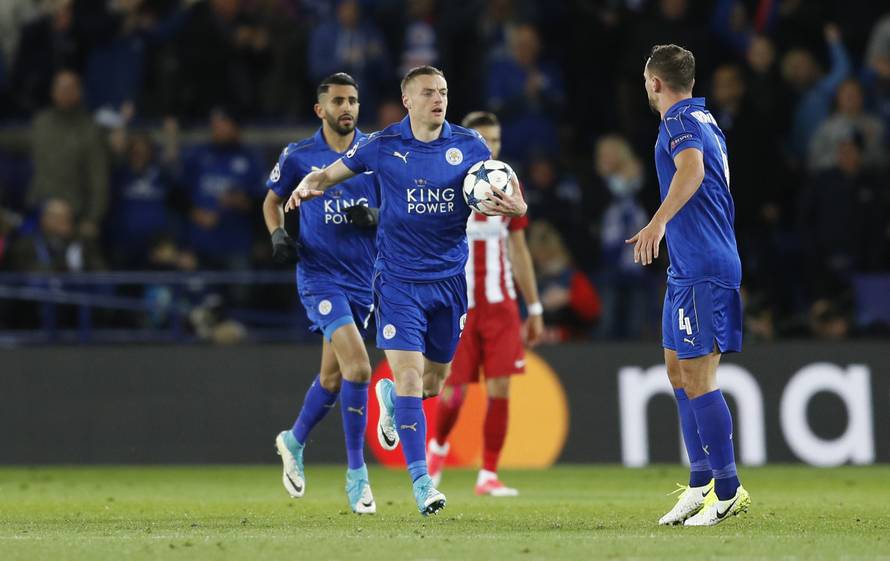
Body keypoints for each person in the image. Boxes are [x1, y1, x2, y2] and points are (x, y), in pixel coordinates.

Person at [285, 65, 527, 516]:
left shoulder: (469, 147)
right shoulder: (382, 146)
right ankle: (422, 484)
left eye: (444, 91)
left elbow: (509, 194)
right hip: (397, 283)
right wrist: (306, 185)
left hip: (451, 284)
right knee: (412, 376)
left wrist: (517, 204)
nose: (439, 99)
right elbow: (329, 174)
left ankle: (392, 402)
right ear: (408, 100)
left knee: (433, 383)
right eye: (429, 93)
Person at [630, 44, 750, 526]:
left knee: (699, 378)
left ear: (655, 83)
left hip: (703, 265)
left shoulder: (678, 121)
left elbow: (693, 171)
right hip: (689, 266)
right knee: (678, 372)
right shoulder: (705, 120)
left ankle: (729, 489)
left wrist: (657, 222)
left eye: (645, 79)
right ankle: (700, 483)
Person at [262, 73, 380, 515]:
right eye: (338, 101)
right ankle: (357, 475)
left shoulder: (374, 152)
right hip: (319, 276)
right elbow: (271, 202)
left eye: (352, 100)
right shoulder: (298, 156)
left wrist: (376, 214)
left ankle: (293, 441)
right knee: (360, 368)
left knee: (333, 378)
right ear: (321, 110)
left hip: (362, 279)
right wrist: (278, 235)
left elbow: (402, 205)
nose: (347, 108)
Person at [426, 111, 543, 496]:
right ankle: (438, 447)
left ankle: (488, 474)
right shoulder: (450, 183)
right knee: (454, 391)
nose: (491, 147)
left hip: (500, 304)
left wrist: (535, 306)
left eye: (496, 140)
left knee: (500, 389)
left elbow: (519, 249)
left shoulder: (509, 185)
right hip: (458, 304)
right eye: (484, 139)